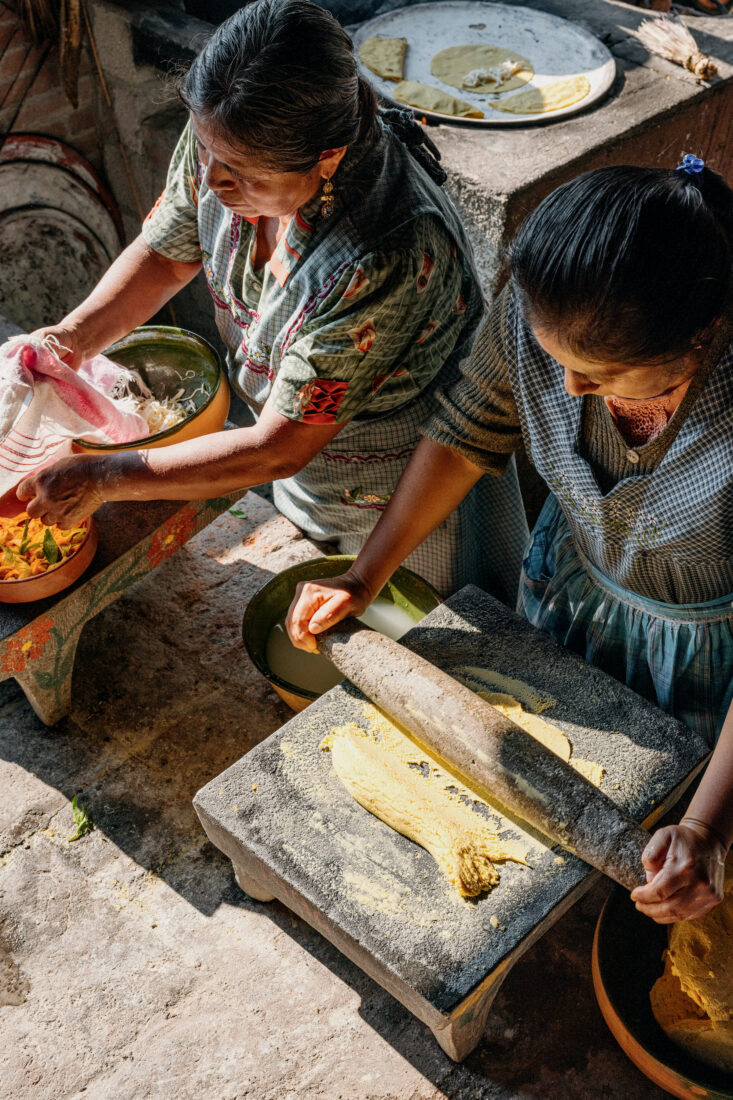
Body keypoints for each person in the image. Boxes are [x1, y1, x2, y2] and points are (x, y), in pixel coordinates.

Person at [287, 155, 733, 925]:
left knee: (673, 840)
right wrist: (365, 575)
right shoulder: (549, 317)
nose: (567, 390)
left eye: (603, 374)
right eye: (555, 360)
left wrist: (706, 826)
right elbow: (467, 433)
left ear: (700, 338)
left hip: (709, 659)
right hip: (578, 587)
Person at [16, 0, 526, 603]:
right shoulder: (226, 132)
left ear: (327, 157)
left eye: (242, 174)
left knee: (420, 633)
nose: (211, 179)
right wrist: (68, 339)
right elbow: (166, 252)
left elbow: (278, 446)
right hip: (303, 470)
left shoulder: (382, 252)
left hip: (402, 494)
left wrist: (106, 477)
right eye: (206, 152)